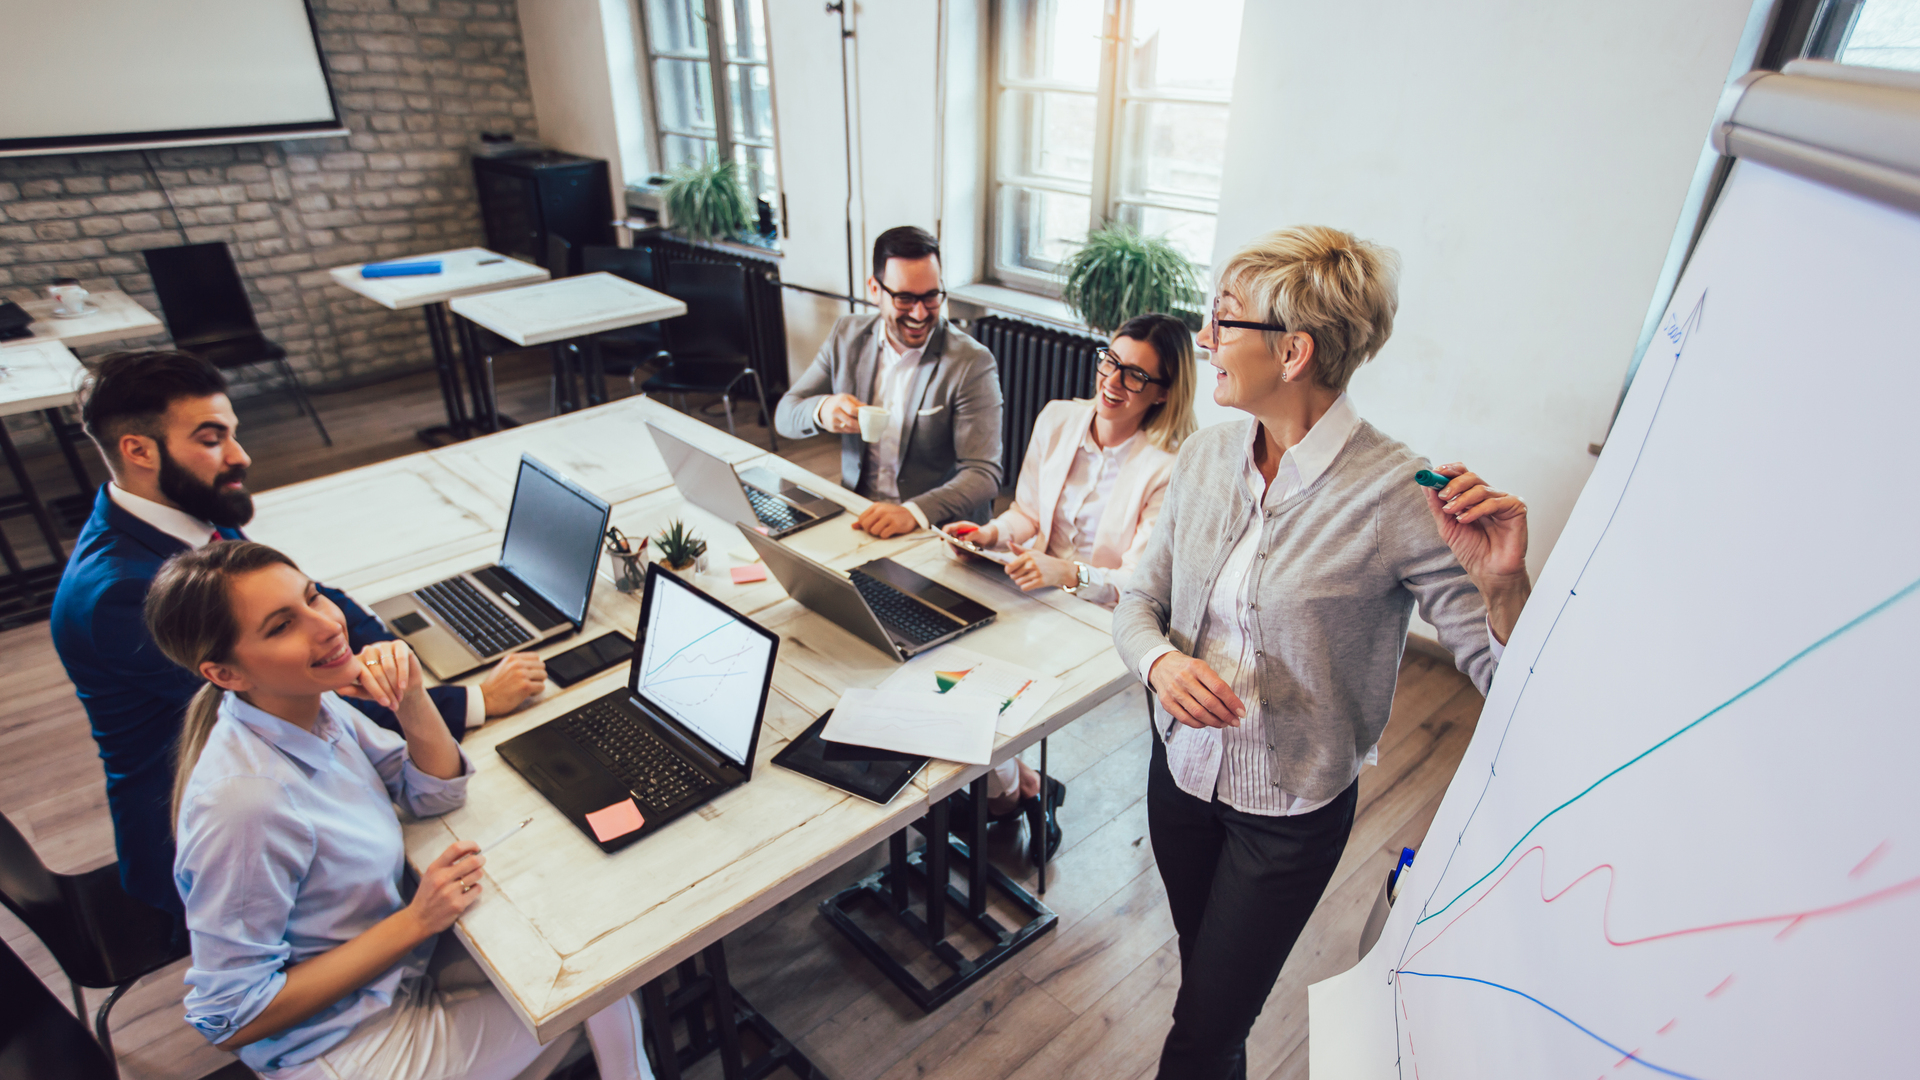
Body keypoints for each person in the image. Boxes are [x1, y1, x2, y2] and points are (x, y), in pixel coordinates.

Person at [1111, 226, 1532, 1080]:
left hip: (1288, 815)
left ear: (1293, 350)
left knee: (1201, 1033)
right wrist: (1160, 663)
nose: (1204, 340)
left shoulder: (1401, 495)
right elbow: (1136, 601)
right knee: (1210, 998)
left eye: (1225, 322)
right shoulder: (1204, 455)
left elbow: (1507, 680)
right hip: (1179, 778)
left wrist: (1503, 590)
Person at [50, 350, 546, 916]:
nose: (241, 456)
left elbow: (317, 595)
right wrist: (476, 699)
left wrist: (384, 655)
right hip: (232, 856)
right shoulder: (121, 595)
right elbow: (292, 694)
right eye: (212, 439)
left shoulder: (189, 512)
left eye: (233, 433)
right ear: (138, 450)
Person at [149, 541, 652, 1079]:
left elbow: (432, 793)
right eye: (280, 626)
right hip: (346, 1047)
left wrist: (411, 694)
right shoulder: (245, 804)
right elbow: (230, 1018)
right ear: (226, 674)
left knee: (589, 968)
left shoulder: (311, 707)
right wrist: (416, 922)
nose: (325, 626)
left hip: (394, 980)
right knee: (601, 985)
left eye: (313, 596)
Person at [942, 312, 1199, 862]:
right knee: (948, 669)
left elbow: (1143, 581)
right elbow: (1028, 514)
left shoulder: (1170, 466)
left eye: (1135, 376)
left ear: (1163, 392)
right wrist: (989, 532)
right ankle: (1020, 789)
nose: (1112, 382)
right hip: (1028, 588)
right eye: (1110, 361)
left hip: (1099, 618)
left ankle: (1007, 794)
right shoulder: (1059, 418)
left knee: (988, 693)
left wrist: (1070, 574)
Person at [774, 226, 1003, 537]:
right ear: (875, 289)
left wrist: (912, 513)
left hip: (934, 527)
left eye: (931, 296)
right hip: (859, 513)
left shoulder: (971, 362)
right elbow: (785, 415)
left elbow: (983, 473)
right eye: (905, 298)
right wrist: (822, 409)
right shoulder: (847, 336)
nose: (920, 313)